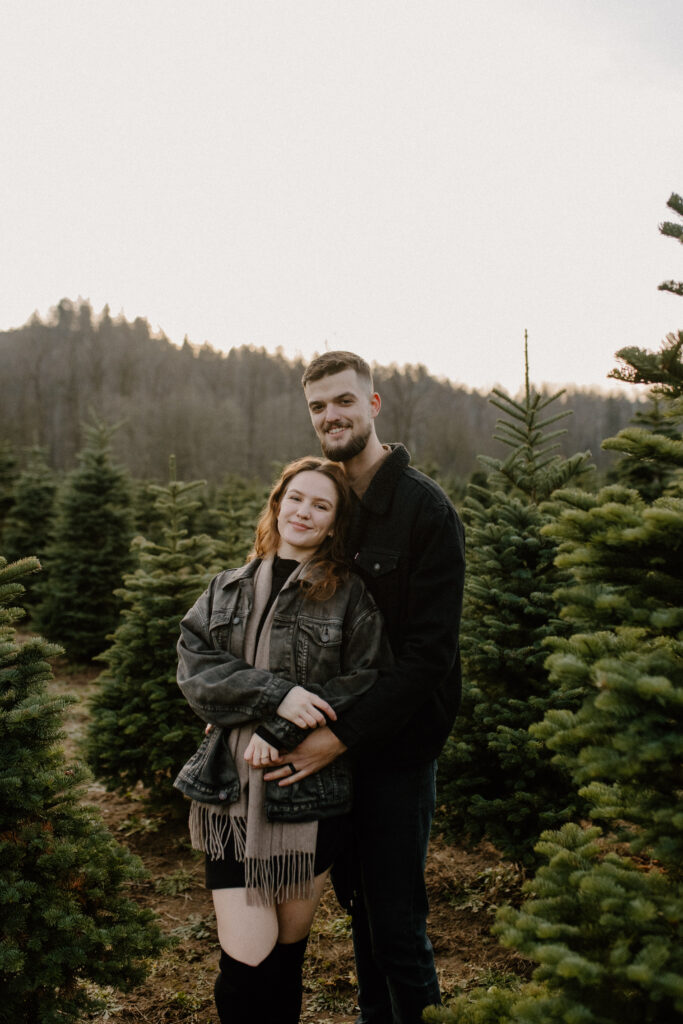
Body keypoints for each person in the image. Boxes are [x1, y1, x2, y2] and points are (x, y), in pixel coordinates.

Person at [264, 352, 466, 1024]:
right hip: (332, 740)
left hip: (396, 747)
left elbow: (428, 658)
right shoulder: (326, 502)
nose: (331, 416)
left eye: (343, 401)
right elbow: (291, 617)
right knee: (358, 907)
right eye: (318, 406)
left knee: (397, 924)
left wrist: (338, 737)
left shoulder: (423, 510)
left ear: (373, 404)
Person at [174, 456, 391, 1024]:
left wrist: (283, 725)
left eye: (322, 505)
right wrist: (276, 693)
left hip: (309, 797)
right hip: (229, 793)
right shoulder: (226, 589)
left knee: (285, 962)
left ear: (334, 522)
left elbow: (366, 679)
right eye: (297, 498)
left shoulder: (349, 596)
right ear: (277, 504)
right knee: (247, 965)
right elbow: (196, 670)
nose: (305, 512)